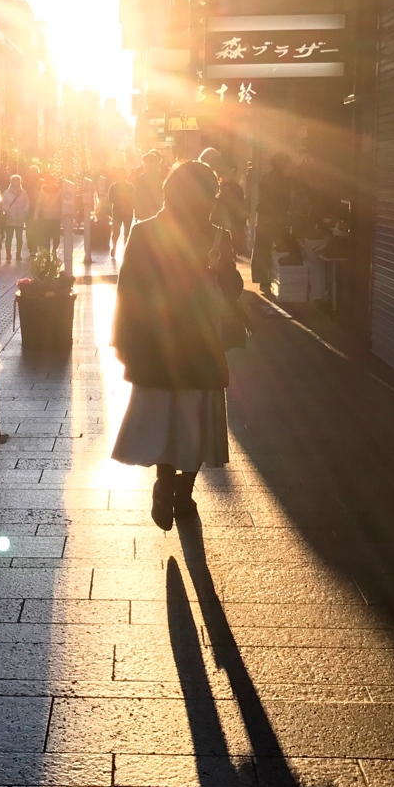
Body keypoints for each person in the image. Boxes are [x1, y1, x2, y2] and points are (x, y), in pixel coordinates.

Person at [111, 160, 243, 531]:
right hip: (200, 346)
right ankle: (182, 494)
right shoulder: (217, 237)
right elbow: (232, 291)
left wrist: (124, 341)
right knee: (197, 419)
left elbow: (128, 292)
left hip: (157, 347)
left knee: (165, 417)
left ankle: (165, 482)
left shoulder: (145, 231)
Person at [250, 153, 292, 293]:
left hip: (264, 216)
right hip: (276, 217)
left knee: (262, 247)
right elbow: (285, 201)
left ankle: (263, 279)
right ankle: (276, 278)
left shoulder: (266, 178)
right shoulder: (284, 180)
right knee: (280, 246)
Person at [216, 165, 248, 257]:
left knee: (234, 239)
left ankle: (234, 253)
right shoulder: (218, 187)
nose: (230, 176)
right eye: (228, 173)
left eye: (232, 173)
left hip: (235, 219)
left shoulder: (237, 188)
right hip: (222, 219)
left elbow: (240, 203)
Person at [1, 174, 31, 262]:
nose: (15, 183)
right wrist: (7, 210)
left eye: (17, 181)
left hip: (20, 218)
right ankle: (8, 254)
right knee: (9, 237)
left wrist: (24, 212)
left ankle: (18, 254)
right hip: (10, 218)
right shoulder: (6, 192)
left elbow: (28, 203)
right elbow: (3, 203)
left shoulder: (23, 192)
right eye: (14, 181)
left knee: (19, 238)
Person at [107, 167, 135, 258]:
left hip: (127, 211)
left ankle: (125, 250)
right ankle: (114, 248)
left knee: (127, 232)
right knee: (116, 231)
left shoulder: (130, 186)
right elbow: (110, 199)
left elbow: (133, 199)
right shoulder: (114, 187)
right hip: (118, 211)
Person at [34, 173, 62, 255]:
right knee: (46, 236)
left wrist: (63, 214)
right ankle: (47, 251)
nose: (49, 183)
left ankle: (54, 249)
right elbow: (38, 203)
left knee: (56, 236)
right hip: (45, 217)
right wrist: (36, 216)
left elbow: (61, 204)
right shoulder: (42, 192)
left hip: (55, 217)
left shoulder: (59, 192)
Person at [133, 151, 164, 221]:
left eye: (144, 163)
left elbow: (137, 195)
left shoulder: (141, 178)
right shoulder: (161, 176)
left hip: (145, 210)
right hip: (158, 209)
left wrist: (137, 211)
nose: (143, 165)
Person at [24, 165, 43, 256]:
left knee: (40, 228)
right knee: (30, 229)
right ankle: (32, 248)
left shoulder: (42, 183)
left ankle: (39, 245)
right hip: (30, 209)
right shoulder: (25, 183)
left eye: (35, 172)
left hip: (40, 209)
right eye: (32, 172)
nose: (33, 174)